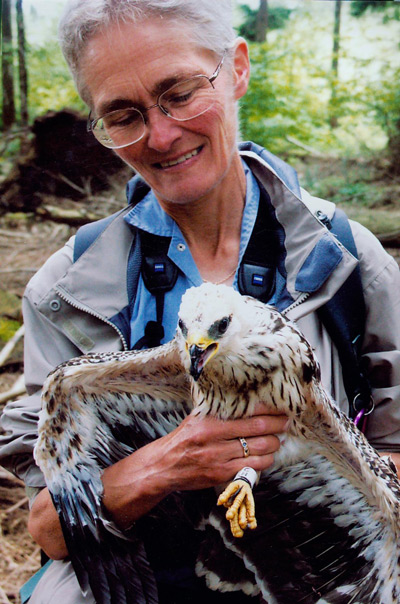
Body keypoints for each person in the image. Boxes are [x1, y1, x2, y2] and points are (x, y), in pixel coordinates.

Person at [1, 1, 400, 602]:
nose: (161, 135)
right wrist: (166, 464)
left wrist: (303, 475)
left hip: (317, 569)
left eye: (181, 94)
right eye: (124, 115)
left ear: (236, 68)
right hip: (147, 573)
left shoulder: (347, 261)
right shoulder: (68, 291)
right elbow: (51, 528)